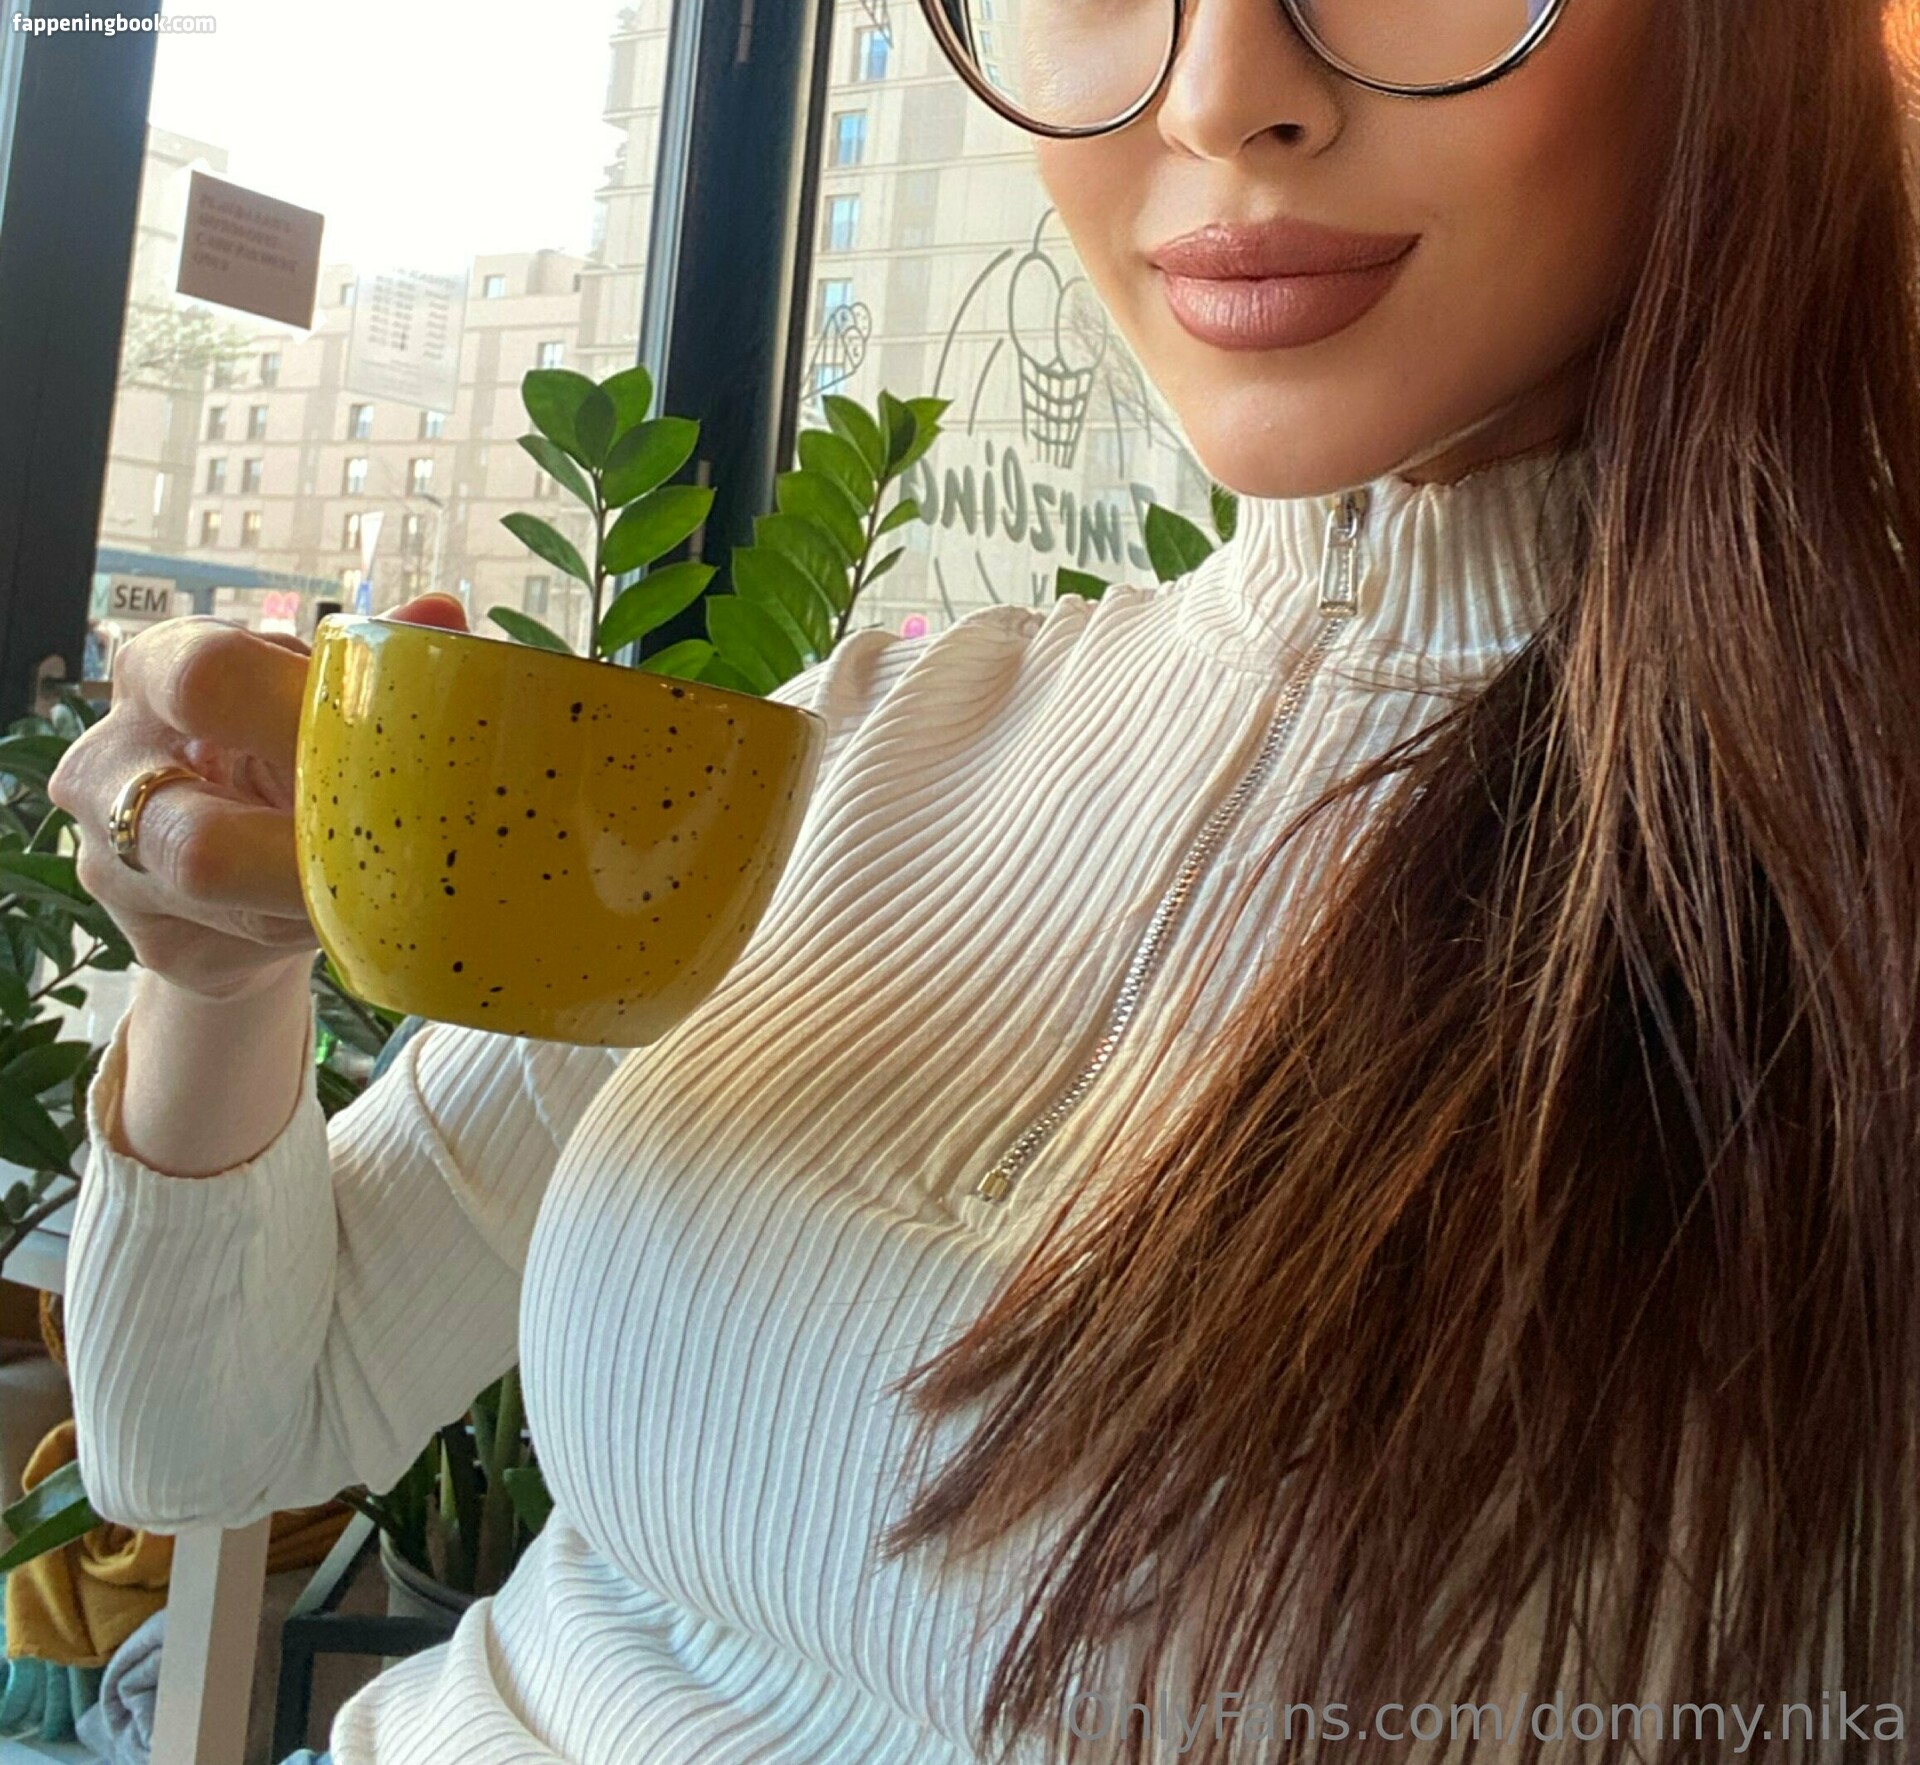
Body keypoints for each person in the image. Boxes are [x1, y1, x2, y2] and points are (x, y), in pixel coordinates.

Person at [44, 0, 1920, 1759]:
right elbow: (214, 1427)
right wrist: (216, 980)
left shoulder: (1855, 916)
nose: (1216, 95)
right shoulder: (869, 735)